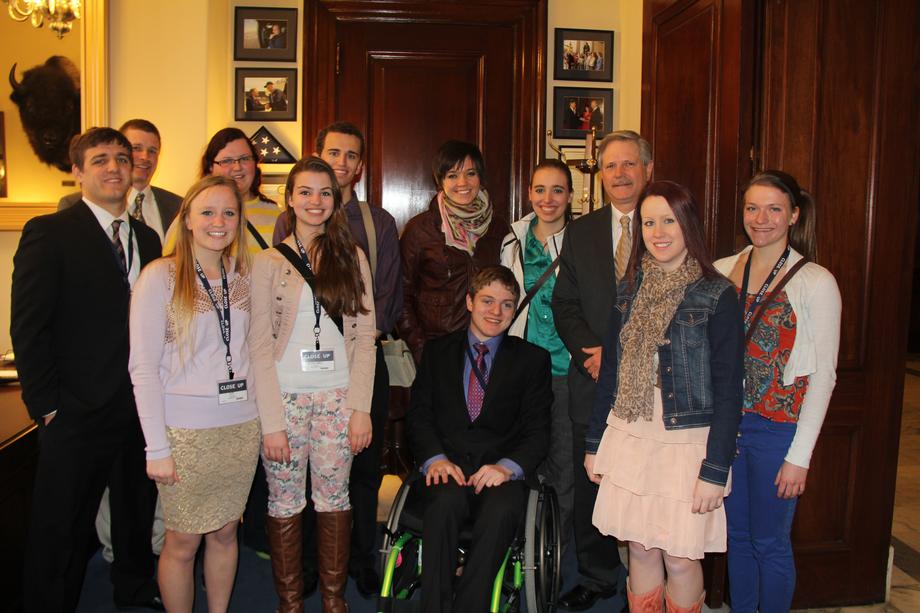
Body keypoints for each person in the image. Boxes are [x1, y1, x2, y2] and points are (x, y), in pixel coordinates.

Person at [12, 127, 163, 612]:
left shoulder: (148, 237)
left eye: (122, 157)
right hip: (75, 412)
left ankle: (135, 592)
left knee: (136, 515)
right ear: (78, 171)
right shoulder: (50, 232)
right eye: (100, 160)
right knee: (62, 529)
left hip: (138, 407)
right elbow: (29, 328)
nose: (115, 167)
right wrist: (47, 407)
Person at [584, 181, 744, 613]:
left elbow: (731, 390)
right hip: (631, 431)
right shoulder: (630, 288)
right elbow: (612, 374)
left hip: (687, 440)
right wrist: (595, 444)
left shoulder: (717, 294)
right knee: (639, 549)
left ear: (687, 224)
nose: (657, 232)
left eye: (667, 221)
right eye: (648, 222)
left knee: (680, 556)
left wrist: (715, 469)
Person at [273, 121, 403, 598]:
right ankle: (308, 567)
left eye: (351, 156)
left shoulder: (378, 223)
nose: (342, 162)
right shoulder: (289, 225)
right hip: (302, 374)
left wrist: (351, 339)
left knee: (361, 471)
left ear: (359, 167)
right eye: (334, 153)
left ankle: (359, 561)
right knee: (305, 472)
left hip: (360, 358)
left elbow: (387, 299)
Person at [130, 175, 265, 612]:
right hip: (184, 433)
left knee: (227, 532)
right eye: (207, 211)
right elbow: (143, 369)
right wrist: (157, 448)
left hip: (240, 427)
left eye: (229, 212)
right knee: (183, 539)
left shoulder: (244, 276)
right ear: (186, 219)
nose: (218, 222)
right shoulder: (160, 276)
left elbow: (253, 354)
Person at [250, 156, 376, 613]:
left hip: (338, 397)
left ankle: (333, 600)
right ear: (289, 198)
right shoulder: (266, 262)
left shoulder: (352, 257)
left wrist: (360, 407)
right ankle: (289, 603)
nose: (315, 201)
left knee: (333, 497)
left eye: (325, 193)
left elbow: (365, 338)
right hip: (284, 398)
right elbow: (259, 346)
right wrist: (270, 422)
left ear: (336, 200)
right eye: (305, 192)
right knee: (284, 501)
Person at [717, 171, 841, 613]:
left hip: (778, 431)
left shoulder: (816, 282)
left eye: (773, 208)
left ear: (793, 214)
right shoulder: (720, 271)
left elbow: (822, 376)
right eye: (752, 208)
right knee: (738, 539)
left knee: (769, 542)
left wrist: (799, 456)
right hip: (727, 428)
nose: (761, 218)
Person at [407, 266, 552, 613]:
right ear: (470, 302)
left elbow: (538, 430)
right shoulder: (437, 352)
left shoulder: (532, 361)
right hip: (448, 467)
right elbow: (419, 416)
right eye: (487, 300)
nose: (496, 312)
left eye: (506, 304)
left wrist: (506, 468)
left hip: (499, 474)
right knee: (443, 505)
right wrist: (434, 458)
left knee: (501, 511)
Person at [552, 130, 653, 611]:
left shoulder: (666, 223)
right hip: (590, 378)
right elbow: (564, 303)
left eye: (629, 164)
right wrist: (592, 352)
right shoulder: (583, 230)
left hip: (651, 385)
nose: (620, 174)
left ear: (647, 171)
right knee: (591, 479)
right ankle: (596, 575)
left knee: (645, 481)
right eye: (611, 166)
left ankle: (647, 573)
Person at [500, 159, 575, 550]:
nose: (548, 199)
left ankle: (553, 550)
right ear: (529, 193)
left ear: (570, 197)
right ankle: (520, 540)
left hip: (564, 369)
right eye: (540, 190)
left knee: (562, 463)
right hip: (522, 368)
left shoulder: (581, 242)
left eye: (558, 190)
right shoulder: (512, 240)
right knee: (523, 456)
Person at [398, 140, 510, 362]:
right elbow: (401, 296)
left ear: (480, 177)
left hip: (489, 348)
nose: (463, 182)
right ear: (440, 181)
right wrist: (422, 350)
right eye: (452, 175)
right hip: (438, 349)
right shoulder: (420, 230)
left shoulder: (499, 228)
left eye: (471, 173)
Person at [59, 118, 181, 242]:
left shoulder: (178, 205)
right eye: (136, 148)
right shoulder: (72, 203)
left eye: (152, 151)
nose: (145, 157)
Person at [166, 128, 281, 255]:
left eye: (245, 159)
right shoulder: (193, 215)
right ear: (210, 167)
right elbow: (174, 266)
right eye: (227, 161)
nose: (237, 167)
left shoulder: (277, 216)